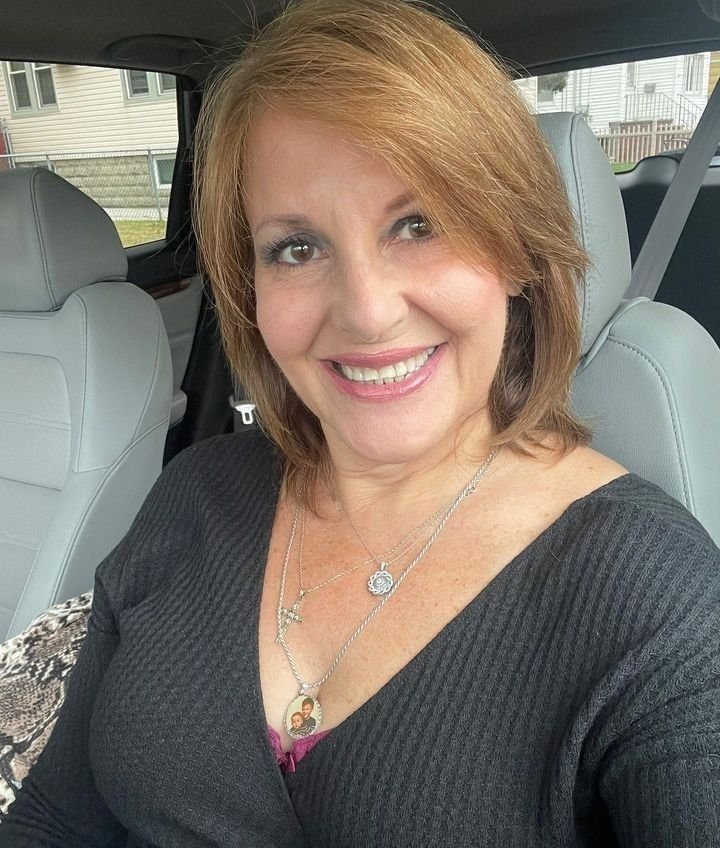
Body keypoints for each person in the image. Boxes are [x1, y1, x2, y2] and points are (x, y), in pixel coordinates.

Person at [3, 0, 719, 844]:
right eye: (296, 248)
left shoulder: (656, 598)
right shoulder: (194, 495)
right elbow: (56, 819)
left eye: (420, 225)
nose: (368, 312)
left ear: (517, 253)